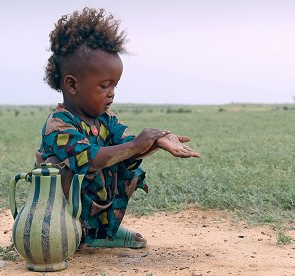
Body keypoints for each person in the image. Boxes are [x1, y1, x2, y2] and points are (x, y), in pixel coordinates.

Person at [37, 7, 199, 249]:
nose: (112, 93)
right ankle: (68, 231)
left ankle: (102, 231)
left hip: (89, 202)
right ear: (72, 84)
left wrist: (158, 140)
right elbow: (90, 160)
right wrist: (135, 145)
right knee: (62, 168)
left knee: (125, 159)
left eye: (115, 85)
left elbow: (130, 144)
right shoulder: (58, 124)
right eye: (104, 85)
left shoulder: (105, 118)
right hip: (55, 212)